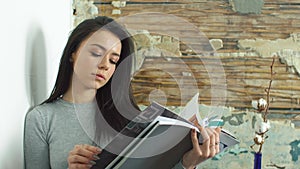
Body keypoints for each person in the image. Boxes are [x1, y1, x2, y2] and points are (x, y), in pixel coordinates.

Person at [24, 16, 221, 169]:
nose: (104, 66)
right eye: (96, 53)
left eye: (113, 60)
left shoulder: (130, 117)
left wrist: (188, 162)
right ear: (73, 53)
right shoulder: (42, 119)